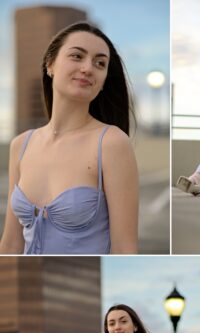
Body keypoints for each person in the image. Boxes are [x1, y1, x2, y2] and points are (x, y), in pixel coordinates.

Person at [0, 21, 138, 255]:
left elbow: (125, 248)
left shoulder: (111, 143)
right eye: (77, 56)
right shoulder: (21, 145)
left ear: (104, 80)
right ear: (50, 64)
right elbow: (11, 244)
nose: (88, 68)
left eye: (100, 63)